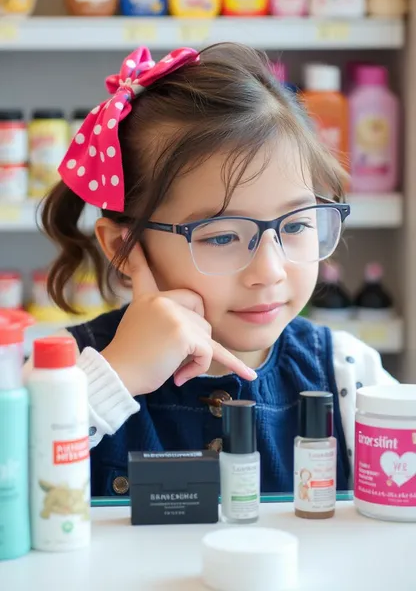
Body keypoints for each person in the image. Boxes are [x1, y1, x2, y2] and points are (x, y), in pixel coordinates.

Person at [28, 44, 397, 497]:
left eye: (297, 224)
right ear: (124, 247)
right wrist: (116, 375)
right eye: (222, 236)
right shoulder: (64, 377)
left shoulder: (347, 371)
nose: (270, 271)